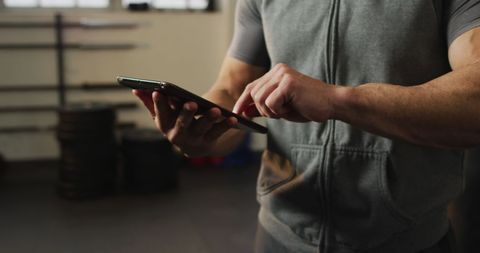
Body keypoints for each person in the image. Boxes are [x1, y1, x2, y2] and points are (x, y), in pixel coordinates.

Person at [133, 1, 480, 252]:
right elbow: (232, 88)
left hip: (404, 239)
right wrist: (201, 129)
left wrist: (338, 100)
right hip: (280, 233)